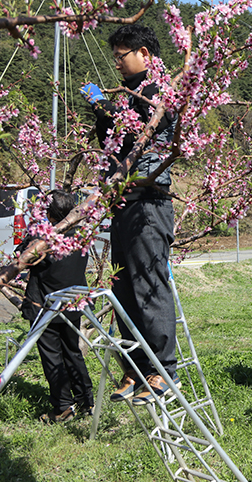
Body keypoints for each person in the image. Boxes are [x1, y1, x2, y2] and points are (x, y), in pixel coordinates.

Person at [80, 24, 178, 405]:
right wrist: (101, 108)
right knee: (123, 287)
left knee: (148, 286)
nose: (117, 64)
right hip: (122, 202)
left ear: (144, 54)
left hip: (149, 201)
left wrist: (107, 106)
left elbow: (144, 123)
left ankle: (162, 370)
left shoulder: (159, 92)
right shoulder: (128, 96)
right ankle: (135, 369)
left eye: (122, 56)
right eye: (116, 57)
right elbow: (112, 136)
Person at [21, 191, 93, 423]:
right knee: (72, 351)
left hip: (45, 305)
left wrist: (34, 235)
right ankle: (86, 401)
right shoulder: (81, 236)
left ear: (49, 214)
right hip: (72, 302)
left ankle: (63, 407)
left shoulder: (44, 239)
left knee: (52, 355)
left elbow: (23, 258)